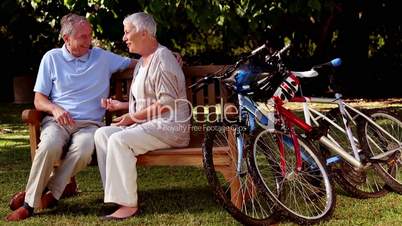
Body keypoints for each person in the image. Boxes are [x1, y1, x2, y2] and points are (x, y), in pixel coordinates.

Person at [5, 13, 137, 221]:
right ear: (66, 39)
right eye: (83, 36)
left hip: (90, 125)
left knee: (84, 150)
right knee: (49, 146)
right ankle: (31, 205)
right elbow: (39, 100)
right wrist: (55, 109)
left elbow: (136, 62)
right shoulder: (52, 58)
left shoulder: (102, 57)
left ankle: (49, 193)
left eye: (90, 35)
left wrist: (164, 55)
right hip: (58, 123)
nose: (89, 41)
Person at [94, 12, 190, 220]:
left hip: (170, 127)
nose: (124, 37)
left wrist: (132, 117)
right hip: (150, 124)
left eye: (127, 32)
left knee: (119, 140)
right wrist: (122, 106)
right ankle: (116, 197)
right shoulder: (141, 62)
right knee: (102, 134)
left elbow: (166, 103)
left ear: (144, 33)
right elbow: (145, 103)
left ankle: (129, 205)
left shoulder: (163, 57)